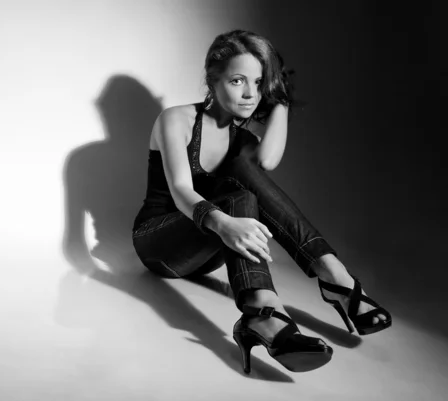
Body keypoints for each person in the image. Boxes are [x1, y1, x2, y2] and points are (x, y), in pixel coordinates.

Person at [131, 29, 392, 374]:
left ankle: (328, 274)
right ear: (213, 79)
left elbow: (266, 162)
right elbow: (181, 191)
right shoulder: (176, 119)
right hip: (160, 244)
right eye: (238, 80)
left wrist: (280, 97)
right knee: (236, 194)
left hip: (213, 249)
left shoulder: (244, 138)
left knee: (243, 178)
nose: (251, 94)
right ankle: (269, 306)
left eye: (258, 82)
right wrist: (224, 223)